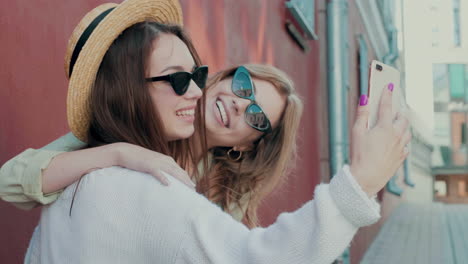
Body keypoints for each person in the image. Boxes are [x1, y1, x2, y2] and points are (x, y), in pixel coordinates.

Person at [1, 0, 411, 263]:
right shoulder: (120, 145)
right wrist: (120, 153)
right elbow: (12, 181)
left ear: (247, 147)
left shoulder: (217, 202)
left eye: (256, 116)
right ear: (218, 79)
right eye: (243, 85)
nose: (238, 103)